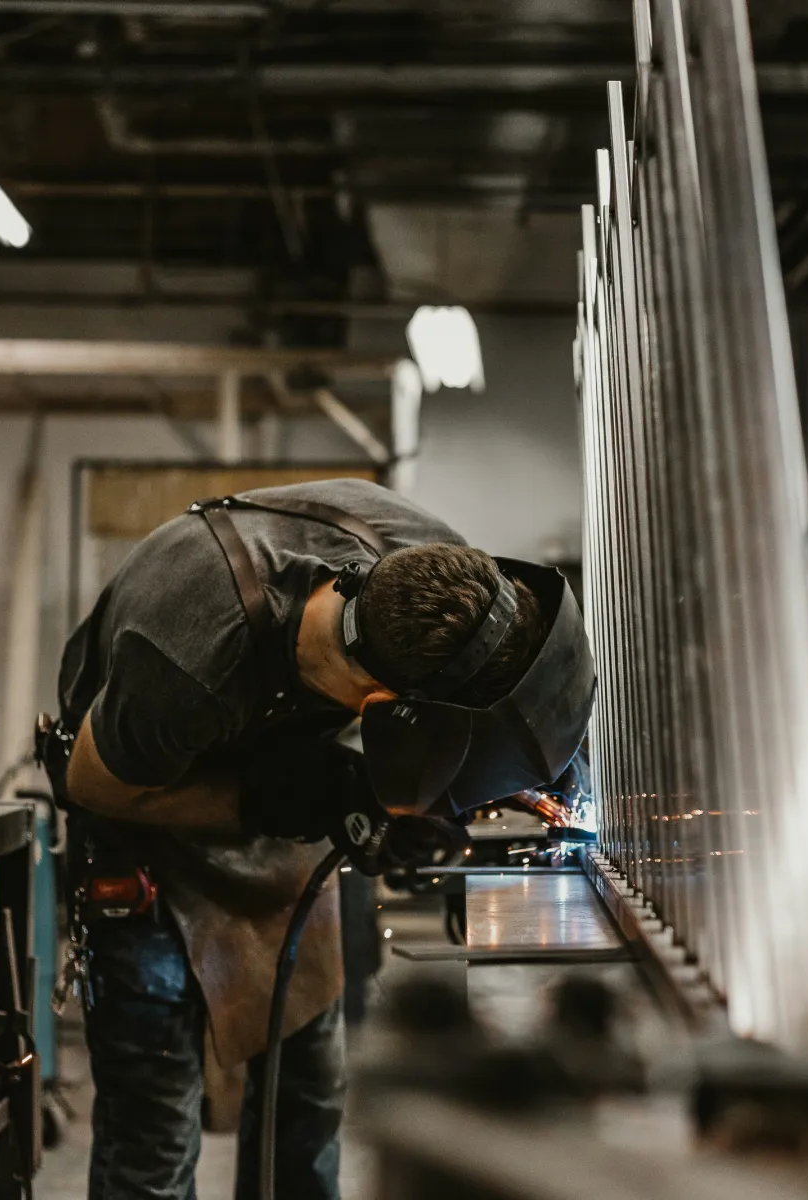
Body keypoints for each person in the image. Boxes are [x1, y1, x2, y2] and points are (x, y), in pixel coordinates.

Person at [45, 478, 593, 1200]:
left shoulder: (440, 579)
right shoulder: (188, 656)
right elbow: (95, 784)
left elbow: (487, 705)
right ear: (384, 709)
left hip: (289, 830)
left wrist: (499, 781)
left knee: (306, 1107)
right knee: (156, 1141)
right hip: (147, 829)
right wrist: (283, 799)